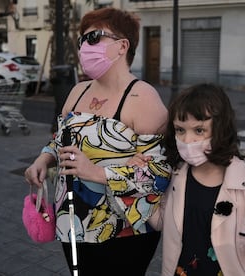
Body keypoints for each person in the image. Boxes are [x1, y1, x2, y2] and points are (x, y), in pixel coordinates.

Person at [24, 7, 171, 276]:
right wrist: (43, 159)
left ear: (122, 46)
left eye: (94, 38)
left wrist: (96, 173)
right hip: (71, 222)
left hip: (122, 231)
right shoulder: (78, 90)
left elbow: (158, 175)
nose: (84, 47)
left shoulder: (143, 98)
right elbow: (60, 138)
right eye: (82, 40)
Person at [136, 83, 245, 276]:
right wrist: (139, 180)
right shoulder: (175, 174)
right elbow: (161, 222)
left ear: (221, 129)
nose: (187, 140)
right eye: (180, 130)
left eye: (199, 130)